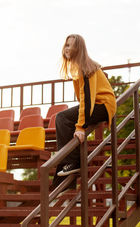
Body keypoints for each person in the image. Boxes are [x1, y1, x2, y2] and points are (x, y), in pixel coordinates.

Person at [50, 34, 117, 191]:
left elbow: (87, 100)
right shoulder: (77, 67)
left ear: (79, 48)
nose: (67, 48)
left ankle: (72, 163)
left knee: (62, 117)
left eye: (72, 45)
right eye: (66, 45)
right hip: (96, 104)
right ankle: (69, 167)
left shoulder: (85, 67)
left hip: (103, 105)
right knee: (63, 119)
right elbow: (83, 100)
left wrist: (80, 126)